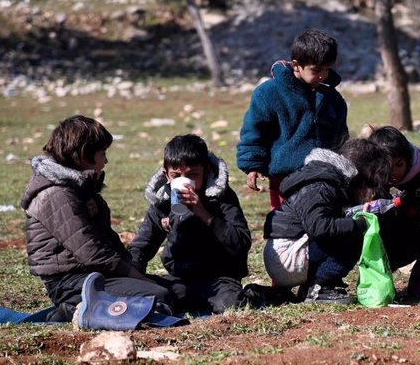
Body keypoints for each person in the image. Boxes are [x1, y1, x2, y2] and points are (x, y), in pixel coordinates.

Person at [20, 115, 177, 322]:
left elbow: (105, 239)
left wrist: (131, 269)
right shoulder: (56, 195)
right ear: (83, 155)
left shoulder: (80, 187)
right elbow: (91, 252)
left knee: (179, 291)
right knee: (159, 296)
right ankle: (73, 308)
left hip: (97, 273)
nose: (106, 160)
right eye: (102, 153)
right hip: (71, 282)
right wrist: (135, 276)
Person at [129, 134, 256, 314]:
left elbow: (241, 242)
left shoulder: (221, 198)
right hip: (180, 278)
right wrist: (131, 276)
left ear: (206, 170)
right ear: (166, 175)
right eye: (176, 175)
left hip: (219, 278)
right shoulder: (163, 201)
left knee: (230, 304)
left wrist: (204, 214)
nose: (184, 180)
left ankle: (259, 295)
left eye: (192, 175)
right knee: (152, 296)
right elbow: (142, 246)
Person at [263, 139, 391, 303]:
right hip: (287, 258)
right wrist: (361, 224)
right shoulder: (320, 186)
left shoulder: (325, 179)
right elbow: (319, 227)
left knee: (347, 227)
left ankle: (313, 285)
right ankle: (320, 286)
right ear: (360, 175)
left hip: (292, 252)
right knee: (353, 234)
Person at [237, 28, 349, 211]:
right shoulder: (268, 93)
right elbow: (254, 131)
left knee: (322, 228)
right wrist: (252, 165)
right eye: (317, 70)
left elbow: (340, 137)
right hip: (285, 178)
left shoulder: (333, 99)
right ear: (296, 65)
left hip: (324, 178)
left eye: (327, 69)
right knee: (286, 230)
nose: (323, 75)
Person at [367, 125, 420, 299]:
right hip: (386, 239)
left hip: (417, 235)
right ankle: (377, 281)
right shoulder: (371, 180)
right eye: (387, 167)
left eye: (399, 165)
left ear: (407, 159)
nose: (393, 173)